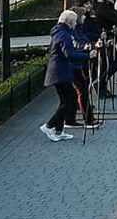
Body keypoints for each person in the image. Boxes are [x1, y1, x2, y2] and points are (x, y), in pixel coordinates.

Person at [40, 10, 94, 142]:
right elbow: (69, 54)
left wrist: (85, 50)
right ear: (69, 22)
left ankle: (59, 131)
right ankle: (49, 125)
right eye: (74, 21)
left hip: (61, 71)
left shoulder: (62, 32)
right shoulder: (63, 35)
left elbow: (71, 51)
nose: (76, 23)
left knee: (66, 100)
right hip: (59, 72)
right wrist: (88, 56)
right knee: (70, 100)